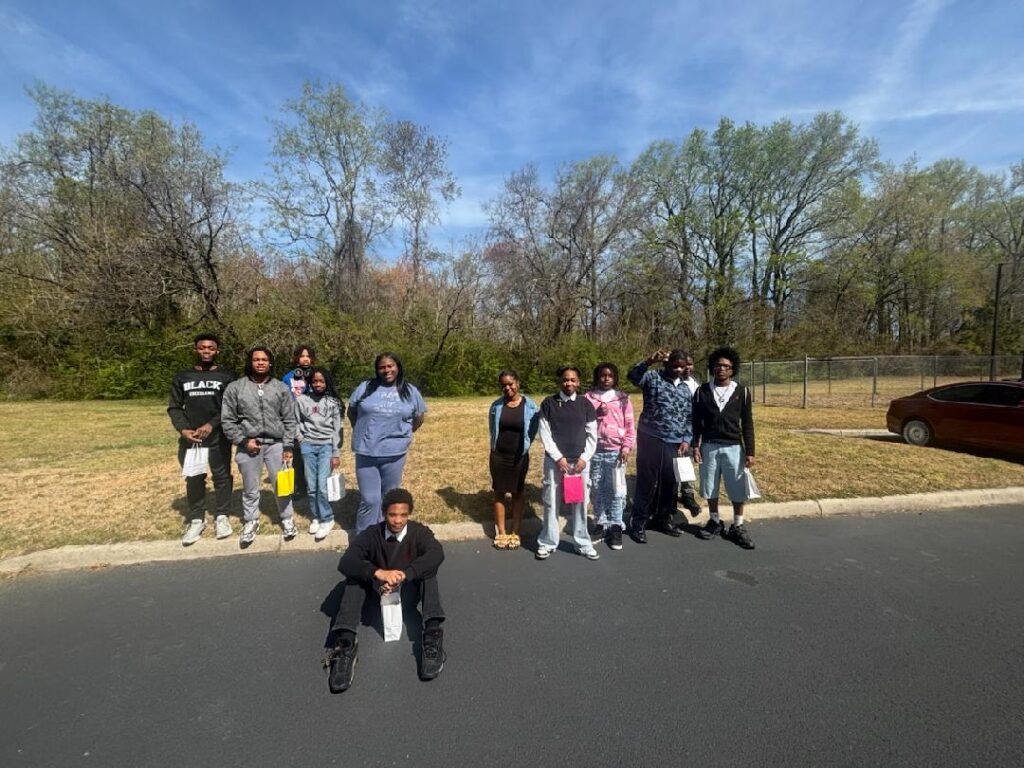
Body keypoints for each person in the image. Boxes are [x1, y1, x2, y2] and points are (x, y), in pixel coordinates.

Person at [326, 488, 446, 693]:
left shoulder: (419, 532)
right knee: (354, 578)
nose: (398, 521)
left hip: (407, 593)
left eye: (403, 515)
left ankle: (432, 634)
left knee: (429, 570)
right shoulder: (371, 534)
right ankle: (346, 643)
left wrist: (406, 574)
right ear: (383, 513)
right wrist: (377, 573)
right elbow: (346, 561)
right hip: (378, 594)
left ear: (409, 514)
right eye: (392, 515)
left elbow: (437, 553)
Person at [221, 346, 299, 547]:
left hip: (276, 444)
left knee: (281, 485)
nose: (260, 362)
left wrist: (288, 446)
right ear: (250, 362)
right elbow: (227, 420)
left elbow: (290, 419)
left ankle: (287, 518)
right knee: (250, 487)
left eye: (264, 359)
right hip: (248, 444)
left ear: (270, 362)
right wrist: (243, 440)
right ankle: (251, 520)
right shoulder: (236, 387)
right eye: (256, 359)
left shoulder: (280, 387)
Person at [167, 333, 236, 545]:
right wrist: (183, 430)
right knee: (194, 477)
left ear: (217, 351)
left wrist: (211, 424)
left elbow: (230, 406)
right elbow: (174, 407)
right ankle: (197, 519)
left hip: (218, 436)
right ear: (196, 349)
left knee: (221, 477)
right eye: (202, 347)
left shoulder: (226, 376)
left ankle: (222, 516)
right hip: (192, 439)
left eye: (211, 348)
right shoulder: (183, 376)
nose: (207, 351)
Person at [348, 353, 427, 533]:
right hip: (367, 451)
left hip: (395, 453)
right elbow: (351, 411)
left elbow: (419, 417)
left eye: (390, 366)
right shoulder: (366, 387)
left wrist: (403, 434)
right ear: (377, 370)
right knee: (370, 499)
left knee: (388, 498)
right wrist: (362, 430)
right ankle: (364, 538)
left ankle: (384, 535)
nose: (386, 370)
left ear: (397, 367)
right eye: (382, 367)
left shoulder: (410, 391)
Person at [626, 349, 694, 543]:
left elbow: (690, 416)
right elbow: (632, 376)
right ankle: (638, 523)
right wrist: (649, 361)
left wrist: (686, 439)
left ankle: (663, 519)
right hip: (651, 437)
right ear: (666, 364)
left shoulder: (685, 388)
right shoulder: (652, 378)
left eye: (682, 367)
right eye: (674, 366)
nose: (678, 369)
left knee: (670, 483)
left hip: (675, 441)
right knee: (646, 482)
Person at [692, 346, 757, 550]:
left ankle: (738, 526)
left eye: (726, 366)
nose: (721, 369)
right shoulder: (701, 391)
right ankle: (714, 521)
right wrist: (695, 445)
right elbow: (696, 422)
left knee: (737, 488)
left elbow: (747, 423)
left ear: (732, 369)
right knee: (710, 486)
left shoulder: (742, 392)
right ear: (712, 367)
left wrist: (750, 451)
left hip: (734, 447)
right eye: (718, 365)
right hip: (709, 446)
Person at [536, 366, 600, 561]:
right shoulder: (549, 403)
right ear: (560, 381)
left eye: (573, 380)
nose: (568, 383)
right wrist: (558, 457)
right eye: (565, 379)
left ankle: (583, 543)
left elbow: (592, 435)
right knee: (551, 502)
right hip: (555, 463)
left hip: (579, 464)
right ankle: (548, 542)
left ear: (578, 382)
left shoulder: (585, 404)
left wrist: (584, 458)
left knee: (580, 503)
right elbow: (544, 433)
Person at [584, 363, 635, 551]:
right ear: (597, 377)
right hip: (595, 450)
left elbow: (630, 426)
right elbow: (583, 421)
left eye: (610, 376)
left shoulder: (622, 399)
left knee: (616, 489)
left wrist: (626, 447)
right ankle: (600, 522)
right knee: (597, 487)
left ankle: (615, 525)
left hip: (616, 451)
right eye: (602, 375)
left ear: (615, 378)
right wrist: (596, 414)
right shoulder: (588, 398)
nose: (606, 379)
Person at [487, 370, 540, 550]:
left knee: (518, 492)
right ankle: (501, 532)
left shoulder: (530, 406)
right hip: (498, 456)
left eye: (511, 384)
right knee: (499, 492)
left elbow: (533, 430)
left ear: (517, 383)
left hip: (519, 456)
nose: (507, 388)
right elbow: (493, 429)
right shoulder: (496, 406)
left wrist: (525, 446)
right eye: (504, 385)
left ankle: (515, 532)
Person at [295, 367, 344, 541]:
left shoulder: (333, 402)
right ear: (310, 382)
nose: (318, 384)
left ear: (327, 382)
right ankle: (316, 516)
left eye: (321, 381)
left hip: (326, 448)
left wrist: (335, 453)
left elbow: (337, 429)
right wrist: (301, 439)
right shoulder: (301, 400)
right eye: (314, 381)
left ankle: (327, 518)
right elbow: (295, 421)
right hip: (307, 446)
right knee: (311, 486)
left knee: (322, 486)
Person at [283, 345, 316, 493]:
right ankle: (300, 486)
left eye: (308, 356)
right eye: (302, 356)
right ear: (296, 358)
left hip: (314, 421)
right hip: (296, 421)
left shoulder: (316, 375)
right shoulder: (288, 378)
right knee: (298, 455)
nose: (305, 359)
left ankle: (314, 484)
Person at [677, 353, 703, 518]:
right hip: (674, 432)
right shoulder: (673, 382)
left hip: (691, 431)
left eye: (690, 364)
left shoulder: (696, 385)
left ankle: (688, 496)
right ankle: (670, 495)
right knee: (673, 464)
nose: (687, 368)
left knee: (687, 464)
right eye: (684, 364)